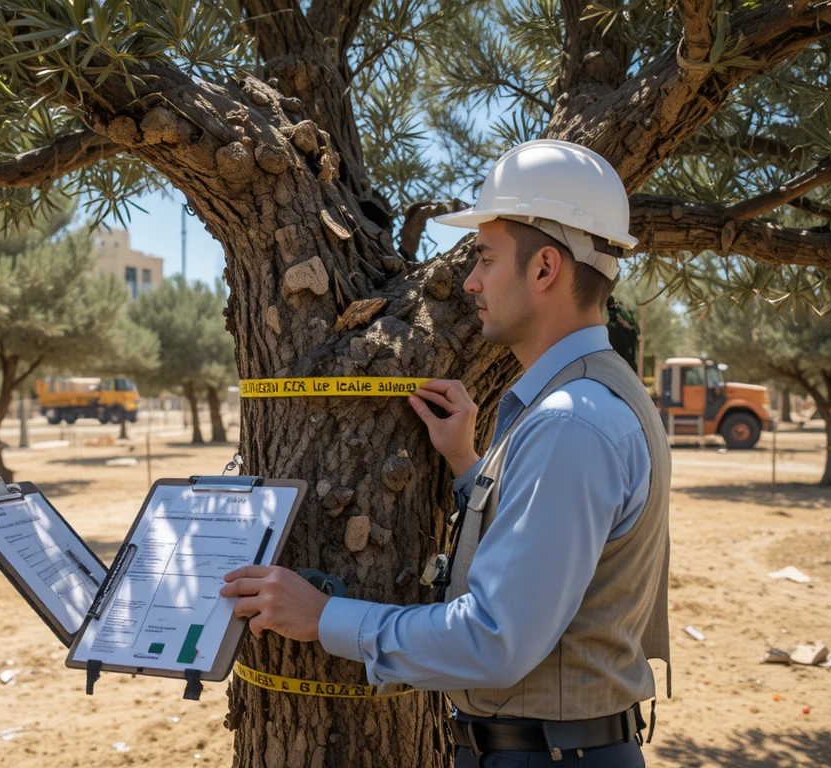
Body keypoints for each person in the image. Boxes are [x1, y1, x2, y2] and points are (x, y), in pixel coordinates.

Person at [221, 139, 671, 767]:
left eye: (485, 258)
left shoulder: (571, 423)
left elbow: (494, 639)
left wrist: (324, 616)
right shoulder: (593, 395)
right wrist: (468, 466)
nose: (469, 281)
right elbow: (546, 545)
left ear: (544, 269)